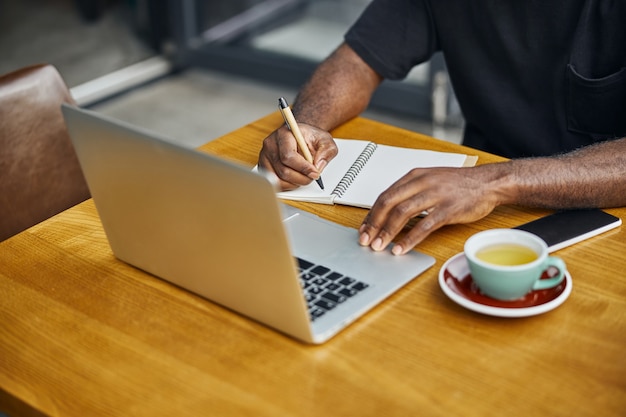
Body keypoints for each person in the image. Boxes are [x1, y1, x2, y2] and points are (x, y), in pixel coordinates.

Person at [258, 0, 626, 255]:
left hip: (606, 217)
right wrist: (305, 123)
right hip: (472, 214)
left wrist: (497, 182)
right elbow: (357, 61)